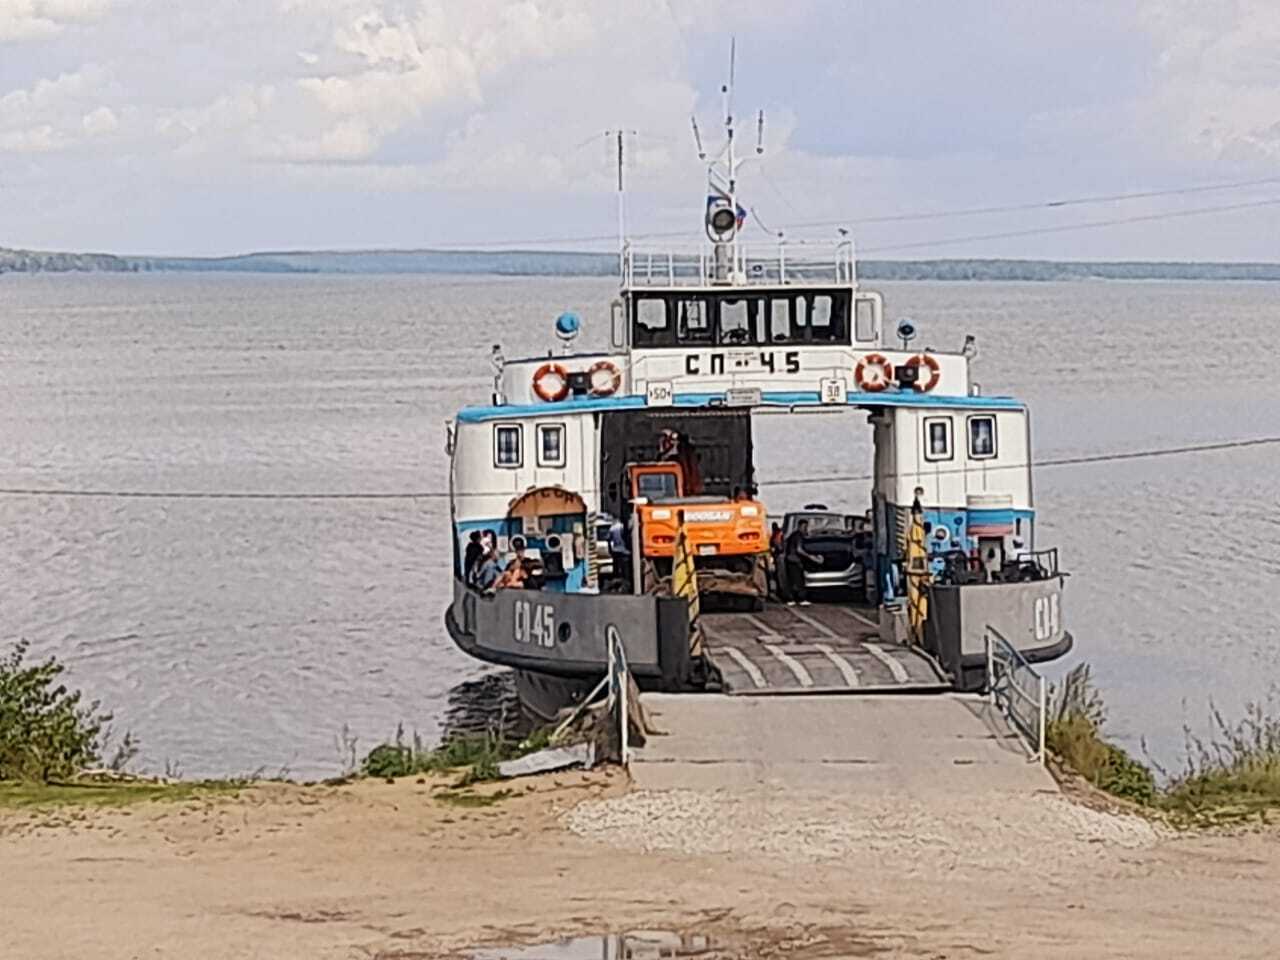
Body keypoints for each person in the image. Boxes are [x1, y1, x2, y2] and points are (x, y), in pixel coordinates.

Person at [783, 519, 823, 606]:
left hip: (790, 560)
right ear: (800, 526)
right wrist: (811, 557)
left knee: (793, 580)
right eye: (805, 527)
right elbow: (799, 549)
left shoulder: (793, 535)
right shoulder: (798, 536)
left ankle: (792, 598)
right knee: (798, 580)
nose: (806, 529)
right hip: (794, 560)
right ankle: (799, 599)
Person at [608, 515, 632, 588]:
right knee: (625, 568)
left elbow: (609, 539)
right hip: (624, 550)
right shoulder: (622, 527)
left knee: (616, 567)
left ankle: (618, 580)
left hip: (615, 550)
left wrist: (610, 550)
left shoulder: (612, 528)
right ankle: (625, 581)